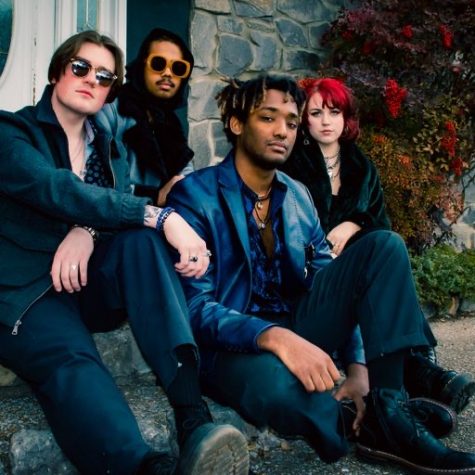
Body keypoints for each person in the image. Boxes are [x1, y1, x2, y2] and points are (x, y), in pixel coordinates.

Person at [166, 74, 475, 474]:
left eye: (292, 123)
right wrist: (275, 338)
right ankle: (362, 425)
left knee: (384, 246)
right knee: (281, 389)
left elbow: (330, 279)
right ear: (237, 124)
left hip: (300, 320)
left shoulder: (297, 194)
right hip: (233, 343)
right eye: (268, 118)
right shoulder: (194, 195)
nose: (282, 131)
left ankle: (388, 405)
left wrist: (359, 366)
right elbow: (193, 308)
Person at [0, 30, 249, 475]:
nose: (91, 80)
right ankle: (145, 468)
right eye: (80, 68)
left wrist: (87, 231)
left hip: (86, 285)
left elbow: (98, 211)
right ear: (58, 71)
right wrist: (160, 216)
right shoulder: (12, 132)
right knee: (71, 360)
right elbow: (52, 188)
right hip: (30, 292)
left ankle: (192, 417)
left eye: (104, 76)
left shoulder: (107, 150)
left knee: (140, 244)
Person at [281, 77, 475, 413]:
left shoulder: (361, 167)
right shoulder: (290, 165)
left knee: (388, 249)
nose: (326, 121)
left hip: (358, 272)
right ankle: (418, 373)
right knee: (379, 257)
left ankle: (411, 378)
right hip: (314, 283)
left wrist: (352, 223)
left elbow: (380, 228)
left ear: (347, 118)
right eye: (316, 112)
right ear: (304, 118)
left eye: (334, 112)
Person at [96, 27, 194, 206]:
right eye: (158, 63)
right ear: (142, 65)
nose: (168, 73)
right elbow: (97, 182)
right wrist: (154, 196)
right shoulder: (112, 110)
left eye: (178, 68)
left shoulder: (171, 123)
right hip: (115, 224)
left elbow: (186, 178)